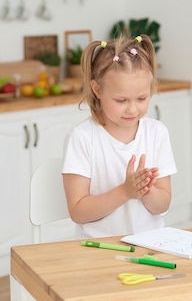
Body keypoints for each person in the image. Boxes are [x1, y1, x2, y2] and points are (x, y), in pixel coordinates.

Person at [63, 35, 177, 239]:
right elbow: (78, 211)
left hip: (150, 245)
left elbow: (163, 205)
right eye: (121, 100)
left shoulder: (157, 133)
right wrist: (125, 191)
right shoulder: (83, 137)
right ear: (97, 89)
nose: (132, 109)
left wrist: (146, 190)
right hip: (98, 249)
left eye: (142, 98)